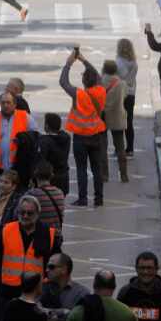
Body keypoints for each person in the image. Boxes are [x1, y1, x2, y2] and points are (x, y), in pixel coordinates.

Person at [59, 49, 107, 207]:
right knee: (96, 168)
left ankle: (83, 198)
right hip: (97, 135)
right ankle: (99, 198)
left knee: (81, 168)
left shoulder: (79, 94)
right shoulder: (101, 90)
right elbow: (96, 75)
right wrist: (84, 60)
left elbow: (63, 83)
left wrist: (69, 63)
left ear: (85, 81)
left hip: (81, 136)